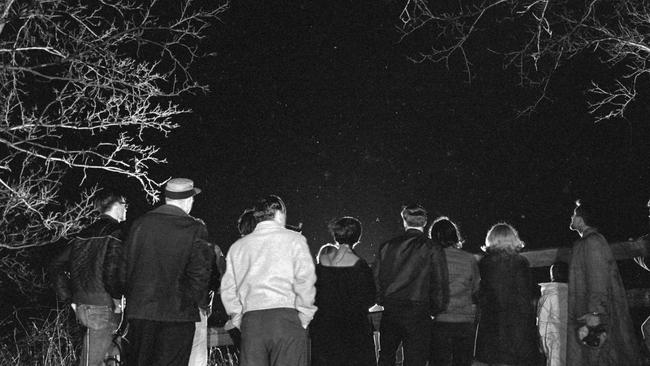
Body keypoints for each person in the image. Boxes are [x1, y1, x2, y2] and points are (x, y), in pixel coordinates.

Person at [123, 178, 214, 366]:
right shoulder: (195, 228)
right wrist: (201, 305)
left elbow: (126, 267)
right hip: (177, 316)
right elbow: (200, 275)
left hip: (140, 313)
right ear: (188, 201)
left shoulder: (139, 225)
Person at [220, 195, 316, 366]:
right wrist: (305, 316)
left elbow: (228, 289)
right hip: (288, 319)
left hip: (252, 321)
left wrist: (239, 319)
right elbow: (306, 282)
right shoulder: (295, 240)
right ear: (280, 214)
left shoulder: (239, 247)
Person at [49, 189, 128, 366]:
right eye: (125, 205)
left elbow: (55, 265)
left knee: (110, 356)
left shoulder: (82, 234)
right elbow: (112, 270)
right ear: (116, 206)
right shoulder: (116, 233)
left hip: (83, 306)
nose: (126, 209)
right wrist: (117, 300)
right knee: (91, 361)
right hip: (104, 306)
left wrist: (70, 299)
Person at [567, 199, 641, 365]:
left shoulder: (592, 242)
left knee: (603, 356)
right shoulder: (586, 242)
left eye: (574, 214)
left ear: (581, 218)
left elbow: (597, 278)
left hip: (594, 317)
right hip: (587, 314)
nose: (571, 217)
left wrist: (595, 313)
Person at [374, 204, 449, 366]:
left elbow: (376, 277)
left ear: (404, 220)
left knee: (386, 356)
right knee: (415, 359)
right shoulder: (432, 248)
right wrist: (435, 309)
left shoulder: (387, 246)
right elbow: (440, 282)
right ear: (424, 222)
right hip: (419, 310)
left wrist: (382, 300)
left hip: (392, 308)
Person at [310, 217, 376, 366]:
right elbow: (370, 299)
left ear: (336, 235)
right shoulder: (361, 266)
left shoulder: (321, 267)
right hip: (354, 332)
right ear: (358, 237)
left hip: (325, 331)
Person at [474, 223, 539, 366]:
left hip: (493, 322)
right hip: (518, 322)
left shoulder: (484, 263)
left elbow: (480, 293)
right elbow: (526, 294)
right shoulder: (521, 262)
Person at [428, 217, 479, 366]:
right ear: (455, 236)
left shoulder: (431, 259)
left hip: (441, 320)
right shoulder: (469, 259)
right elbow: (476, 288)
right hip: (465, 320)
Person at [537, 262, 569, 366]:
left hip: (554, 342)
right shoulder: (575, 295)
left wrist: (543, 345)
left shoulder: (548, 296)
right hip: (572, 341)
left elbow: (542, 323)